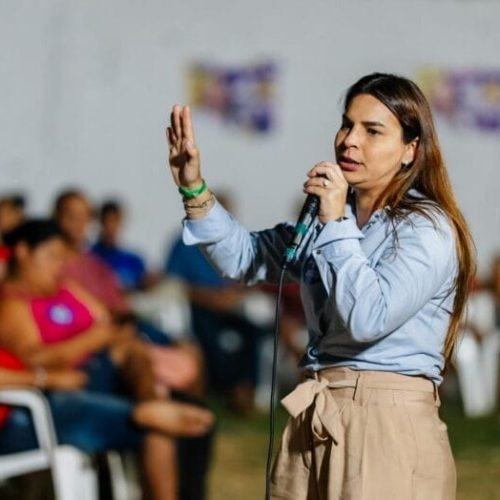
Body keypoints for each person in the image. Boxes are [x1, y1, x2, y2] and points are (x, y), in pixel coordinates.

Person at [165, 72, 476, 499]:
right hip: (316, 409)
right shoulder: (331, 220)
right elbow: (245, 257)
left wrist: (334, 222)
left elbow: (369, 317)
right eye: (347, 124)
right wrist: (193, 187)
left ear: (410, 149)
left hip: (385, 421)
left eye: (372, 130)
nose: (349, 140)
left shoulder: (426, 229)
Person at [0, 219, 214, 500]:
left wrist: (112, 335)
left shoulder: (65, 289)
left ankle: (151, 401)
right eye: (51, 257)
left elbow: (108, 319)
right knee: (159, 426)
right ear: (24, 252)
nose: (58, 267)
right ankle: (147, 407)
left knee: (148, 367)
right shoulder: (14, 305)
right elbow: (35, 358)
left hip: (102, 371)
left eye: (61, 259)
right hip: (62, 389)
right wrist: (89, 343)